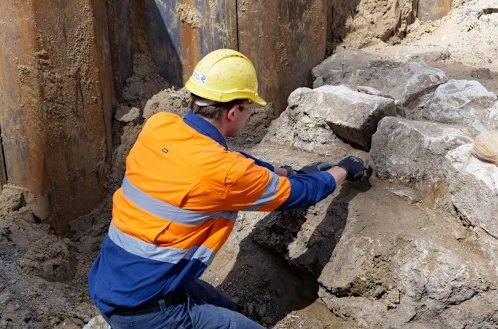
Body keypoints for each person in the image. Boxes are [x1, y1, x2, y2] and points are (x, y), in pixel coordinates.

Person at [88, 48, 366, 329]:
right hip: (144, 312)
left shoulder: (159, 126)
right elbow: (298, 194)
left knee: (224, 306)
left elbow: (224, 159)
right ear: (233, 112)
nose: (249, 115)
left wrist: (286, 172)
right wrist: (342, 170)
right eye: (249, 109)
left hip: (114, 281)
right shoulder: (225, 174)